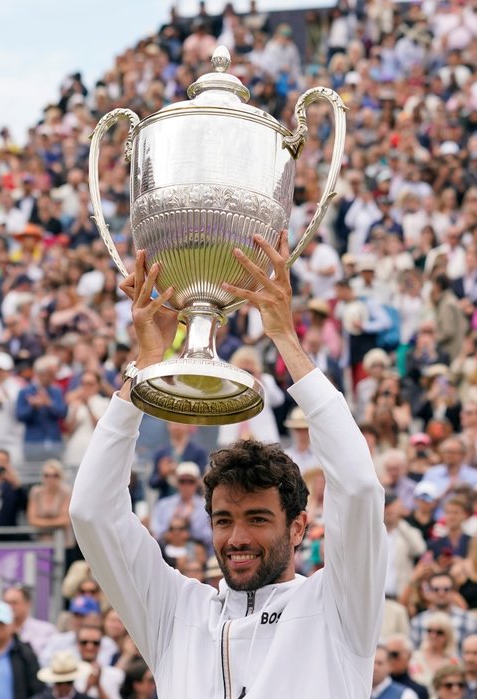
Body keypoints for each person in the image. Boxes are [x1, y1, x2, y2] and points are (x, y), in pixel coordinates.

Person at [69, 241, 385, 697]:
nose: (236, 538)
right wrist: (145, 367)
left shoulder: (338, 607)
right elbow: (92, 512)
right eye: (223, 520)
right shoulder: (175, 613)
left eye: (257, 518)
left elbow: (357, 489)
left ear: (298, 527)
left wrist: (285, 340)